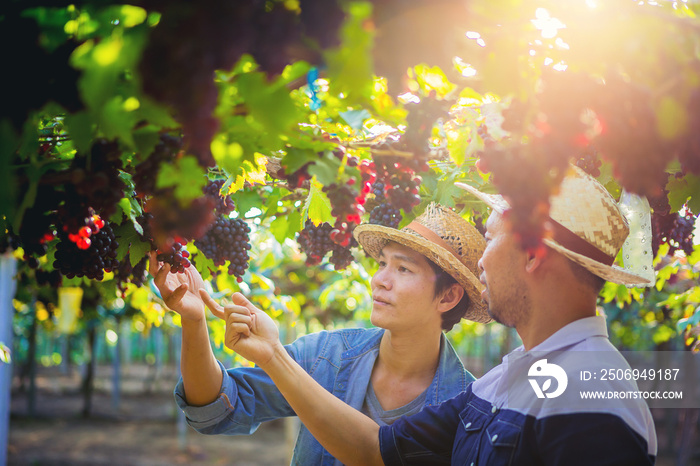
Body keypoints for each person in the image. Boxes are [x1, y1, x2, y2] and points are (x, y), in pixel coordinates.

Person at [212, 165, 658, 465]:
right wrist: (272, 354)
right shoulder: (500, 384)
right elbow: (374, 449)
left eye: (491, 237)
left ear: (533, 255)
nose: (481, 262)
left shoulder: (590, 398)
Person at [150, 202, 490, 465]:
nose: (380, 279)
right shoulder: (325, 355)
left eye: (403, 268)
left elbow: (375, 454)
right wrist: (193, 323)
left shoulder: (470, 410)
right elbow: (217, 408)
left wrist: (274, 355)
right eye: (382, 263)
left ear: (448, 296)